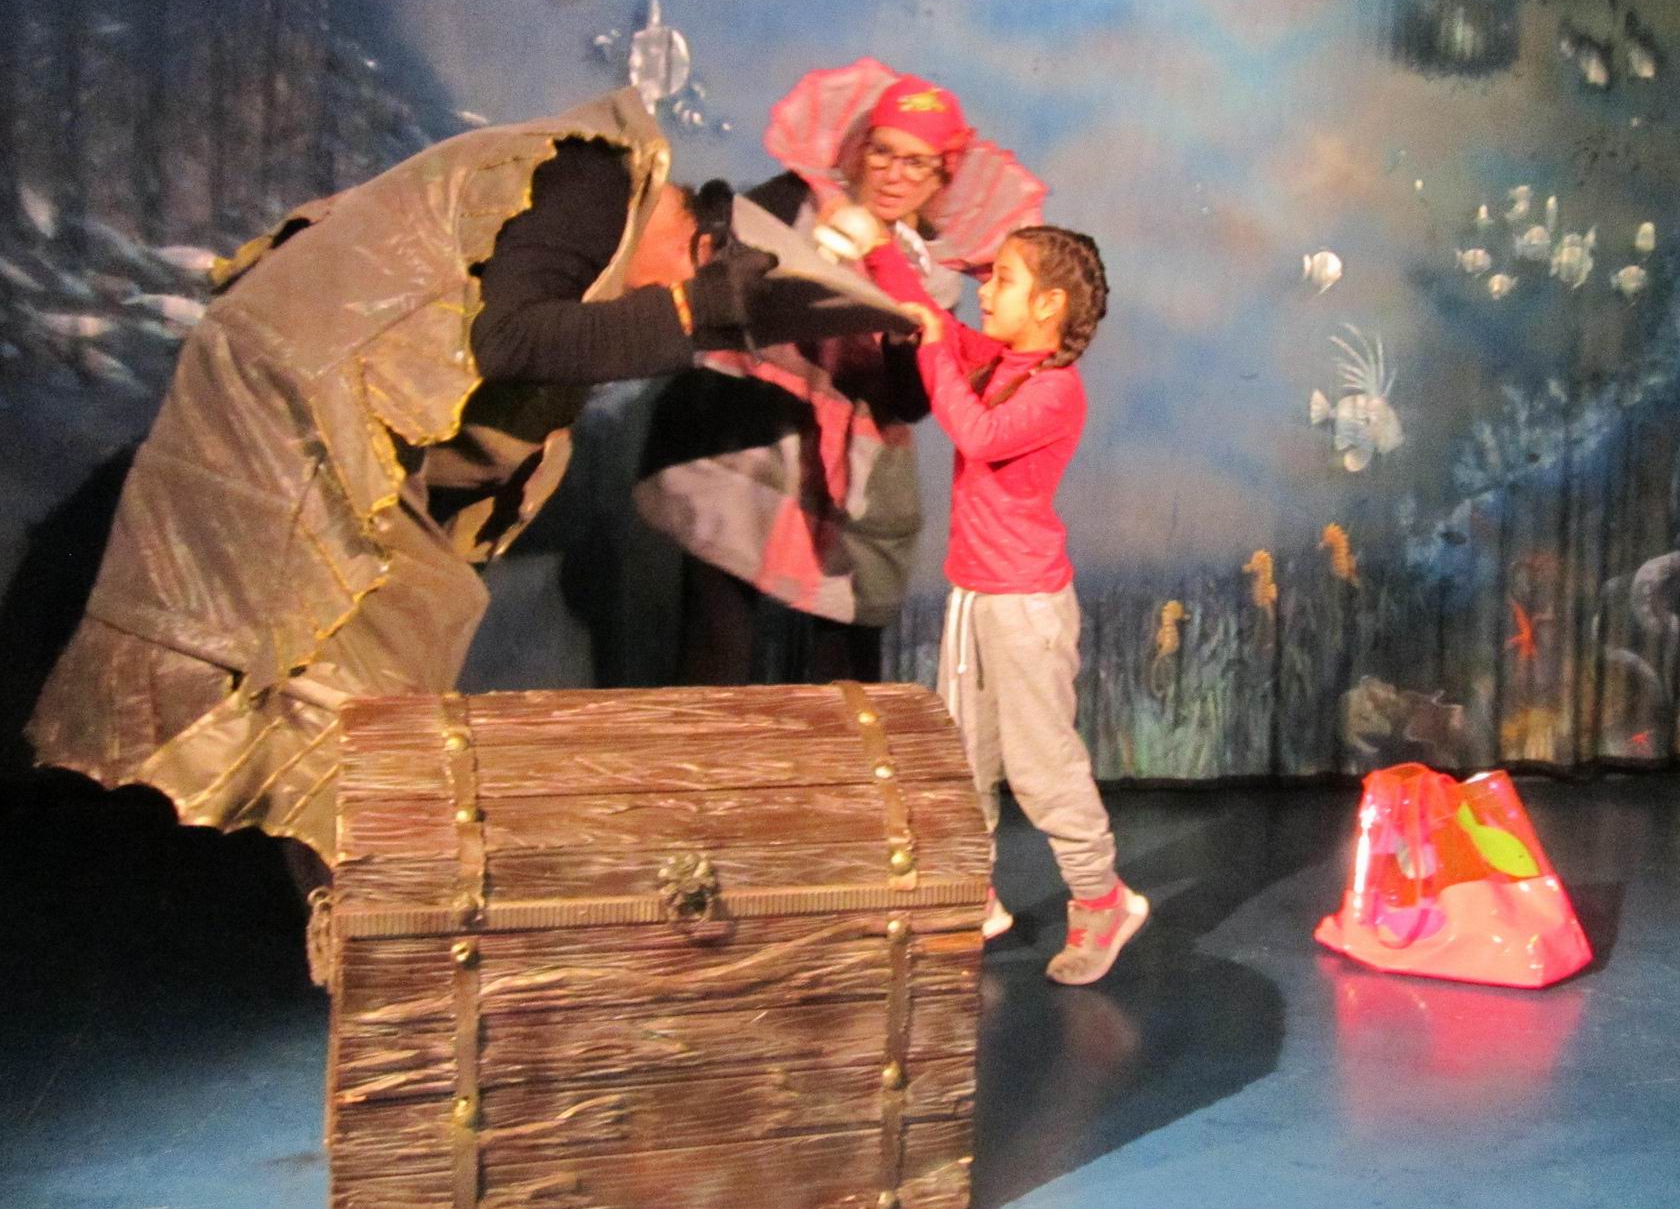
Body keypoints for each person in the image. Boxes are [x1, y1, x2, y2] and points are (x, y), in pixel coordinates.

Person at [25, 89, 777, 862]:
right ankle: (363, 880)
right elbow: (507, 338)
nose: (643, 300)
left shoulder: (583, 185)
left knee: (391, 640)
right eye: (678, 284)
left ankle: (346, 873)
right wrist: (687, 313)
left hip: (321, 401)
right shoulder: (596, 178)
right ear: (703, 241)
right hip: (297, 401)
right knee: (355, 676)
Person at [636, 61, 1044, 686]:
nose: (894, 174)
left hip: (848, 470)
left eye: (917, 163)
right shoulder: (792, 203)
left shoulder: (930, 272)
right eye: (884, 152)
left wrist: (909, 340)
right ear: (860, 150)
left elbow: (912, 401)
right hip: (750, 441)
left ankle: (852, 752)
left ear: (942, 175)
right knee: (718, 644)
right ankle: (709, 751)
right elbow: (713, 276)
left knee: (847, 656)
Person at [867, 221, 1148, 986]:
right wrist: (878, 243)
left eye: (1005, 280)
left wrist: (934, 347)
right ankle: (975, 898)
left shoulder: (1055, 389)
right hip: (975, 596)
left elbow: (978, 434)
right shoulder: (998, 360)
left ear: (1049, 304)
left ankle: (1102, 900)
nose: (986, 292)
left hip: (1025, 607)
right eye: (988, 277)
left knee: (1042, 767)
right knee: (963, 761)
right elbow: (926, 314)